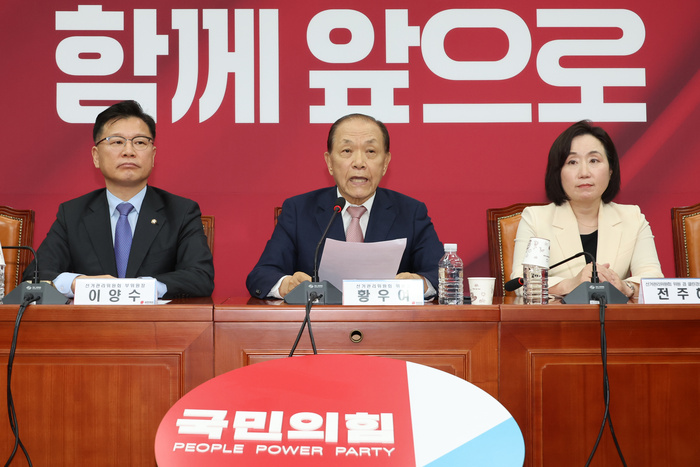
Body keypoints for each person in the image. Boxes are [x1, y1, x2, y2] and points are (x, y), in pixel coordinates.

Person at [23, 100, 214, 299]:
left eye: (140, 142)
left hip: (155, 319)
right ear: (96, 156)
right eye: (116, 142)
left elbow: (200, 277)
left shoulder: (181, 212)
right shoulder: (72, 214)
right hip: (91, 319)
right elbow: (34, 277)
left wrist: (141, 288)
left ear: (153, 155)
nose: (128, 151)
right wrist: (76, 283)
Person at [246, 113, 443, 299]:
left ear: (385, 163)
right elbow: (261, 275)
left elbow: (441, 274)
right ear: (329, 162)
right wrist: (286, 284)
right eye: (347, 151)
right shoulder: (298, 210)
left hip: (389, 322)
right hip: (320, 322)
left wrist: (420, 283)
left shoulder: (411, 212)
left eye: (371, 151)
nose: (359, 163)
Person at [511, 120, 663, 299]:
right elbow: (520, 282)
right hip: (559, 317)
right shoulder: (535, 219)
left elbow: (654, 280)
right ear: (558, 173)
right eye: (572, 162)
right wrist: (570, 284)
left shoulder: (633, 218)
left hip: (614, 316)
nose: (584, 172)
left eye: (594, 160)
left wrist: (625, 286)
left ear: (611, 170)